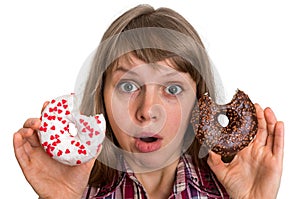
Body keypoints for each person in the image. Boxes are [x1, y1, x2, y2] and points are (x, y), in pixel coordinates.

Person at [13, 4, 284, 199]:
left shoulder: (232, 192)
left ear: (199, 105)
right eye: (128, 86)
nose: (147, 111)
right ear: (101, 97)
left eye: (173, 89)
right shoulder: (75, 193)